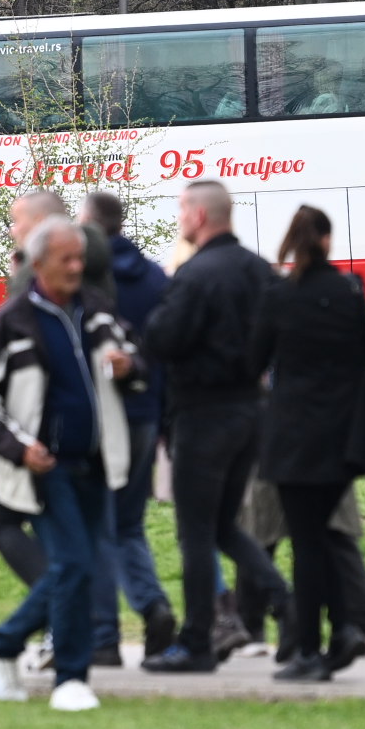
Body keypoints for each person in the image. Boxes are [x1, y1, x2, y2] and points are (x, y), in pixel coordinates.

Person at [0, 215, 141, 711]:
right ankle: (70, 680)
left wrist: (129, 366)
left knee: (76, 570)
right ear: (38, 263)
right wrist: (19, 449)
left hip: (95, 461)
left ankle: (0, 646)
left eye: (80, 257)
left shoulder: (95, 310)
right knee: (73, 564)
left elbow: (133, 354)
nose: (77, 266)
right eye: (67, 258)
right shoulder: (12, 322)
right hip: (45, 467)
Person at [140, 179, 288, 673]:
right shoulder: (260, 271)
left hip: (202, 414)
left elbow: (161, 338)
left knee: (197, 533)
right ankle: (286, 605)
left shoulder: (196, 274)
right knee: (224, 526)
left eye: (183, 210)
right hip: (252, 410)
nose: (180, 218)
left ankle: (198, 641)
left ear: (199, 217)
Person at [250, 205, 365, 683]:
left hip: (292, 434)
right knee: (327, 539)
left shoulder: (280, 296)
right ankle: (345, 628)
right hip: (344, 433)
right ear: (328, 240)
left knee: (307, 544)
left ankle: (311, 649)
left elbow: (255, 362)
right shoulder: (351, 289)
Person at [83, 188, 177, 665]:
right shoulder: (156, 278)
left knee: (99, 525)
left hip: (106, 417)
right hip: (147, 413)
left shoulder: (87, 285)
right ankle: (152, 605)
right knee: (129, 525)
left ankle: (104, 635)